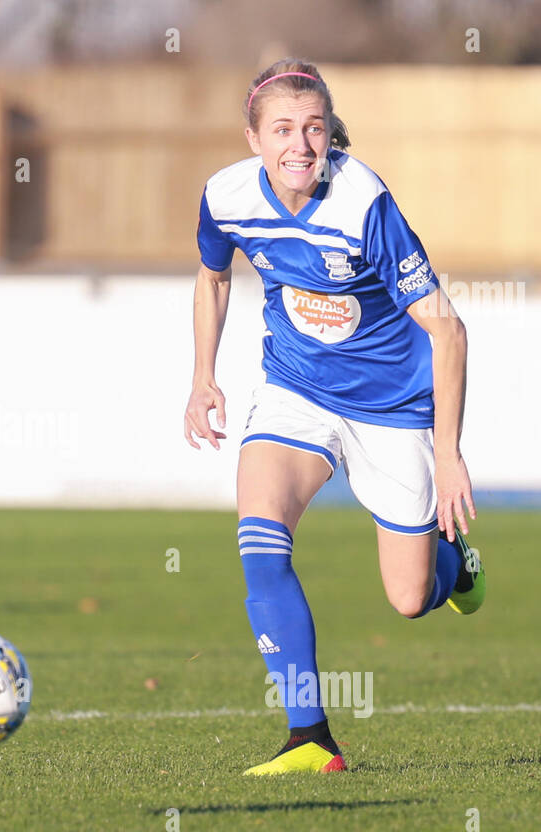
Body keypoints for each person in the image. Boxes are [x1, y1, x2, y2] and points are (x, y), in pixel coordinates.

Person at [184, 58, 485, 776]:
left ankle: (458, 566)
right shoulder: (225, 195)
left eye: (314, 128)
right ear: (252, 137)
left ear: (331, 134)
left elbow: (448, 329)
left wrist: (448, 454)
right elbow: (213, 273)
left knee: (410, 598)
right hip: (296, 389)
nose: (300, 144)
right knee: (260, 541)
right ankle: (309, 738)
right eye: (283, 128)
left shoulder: (362, 201)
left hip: (391, 407)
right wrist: (203, 377)